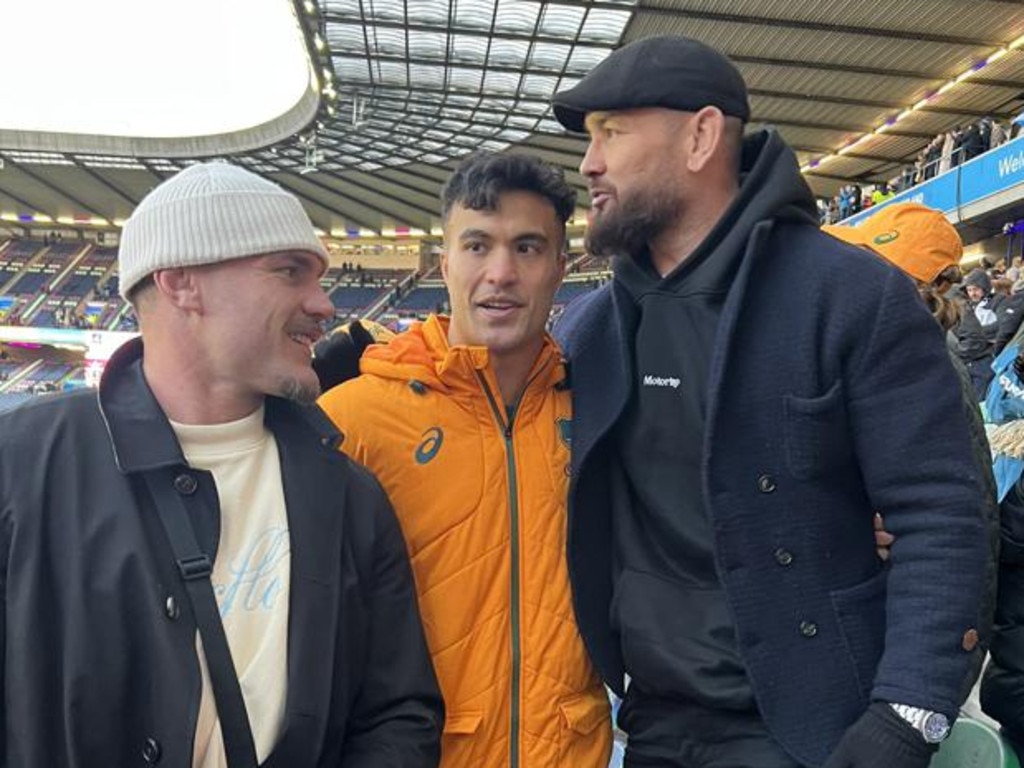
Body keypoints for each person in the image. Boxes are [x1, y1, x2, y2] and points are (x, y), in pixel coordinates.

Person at [549, 35, 991, 768]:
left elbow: (940, 513)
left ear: (700, 137)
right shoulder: (590, 332)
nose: (590, 164)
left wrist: (907, 719)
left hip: (816, 728)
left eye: (612, 133)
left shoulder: (850, 297)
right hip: (650, 724)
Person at [0, 162, 443, 767]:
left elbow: (398, 713)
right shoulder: (23, 465)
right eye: (290, 272)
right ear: (183, 283)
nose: (323, 304)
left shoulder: (347, 494)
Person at [318, 152, 613, 768]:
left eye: (528, 248)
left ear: (562, 267)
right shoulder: (353, 420)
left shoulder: (601, 414)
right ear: (445, 261)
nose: (500, 273)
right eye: (477, 246)